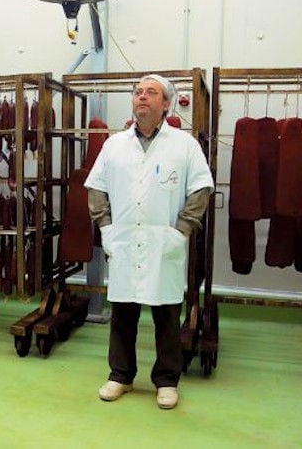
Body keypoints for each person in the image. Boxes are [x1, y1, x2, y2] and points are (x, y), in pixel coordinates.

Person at [84, 74, 214, 409]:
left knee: (166, 314)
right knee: (122, 313)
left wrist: (182, 229)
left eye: (150, 93)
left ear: (166, 104)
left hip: (164, 241)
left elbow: (201, 189)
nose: (142, 97)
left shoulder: (185, 145)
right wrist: (106, 227)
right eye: (138, 92)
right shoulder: (114, 145)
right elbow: (96, 187)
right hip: (125, 240)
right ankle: (120, 376)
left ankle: (167, 380)